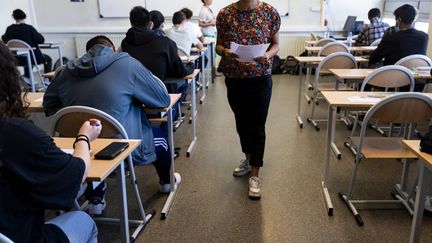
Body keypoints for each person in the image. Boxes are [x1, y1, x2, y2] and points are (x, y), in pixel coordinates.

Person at [43, 35, 178, 214]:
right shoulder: (127, 64)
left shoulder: (67, 70)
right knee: (161, 140)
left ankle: (96, 199)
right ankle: (167, 182)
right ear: (113, 49)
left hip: (81, 147)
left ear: (87, 53)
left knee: (92, 145)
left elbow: (48, 103)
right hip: (121, 146)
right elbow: (162, 99)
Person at [0, 41, 99, 242]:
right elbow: (76, 175)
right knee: (84, 221)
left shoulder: (66, 73)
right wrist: (84, 139)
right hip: (21, 237)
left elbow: (50, 100)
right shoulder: (14, 133)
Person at [216, 0, 280, 199]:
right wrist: (225, 51)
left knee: (257, 125)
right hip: (234, 79)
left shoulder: (269, 12)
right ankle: (249, 158)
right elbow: (219, 45)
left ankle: (255, 174)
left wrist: (268, 55)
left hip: (260, 78)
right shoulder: (225, 14)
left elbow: (276, 44)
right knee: (242, 124)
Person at [121, 6, 193, 81]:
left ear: (131, 23)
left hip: (130, 89)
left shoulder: (124, 43)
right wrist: (191, 66)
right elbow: (179, 72)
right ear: (151, 24)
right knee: (182, 85)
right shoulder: (165, 42)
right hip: (156, 90)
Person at [2, 9, 52, 78]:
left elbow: (4, 40)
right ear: (24, 17)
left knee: (27, 55)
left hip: (16, 59)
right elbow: (41, 40)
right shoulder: (29, 28)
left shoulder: (9, 29)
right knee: (48, 59)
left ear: (14, 17)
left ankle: (27, 78)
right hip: (31, 58)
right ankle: (47, 80)